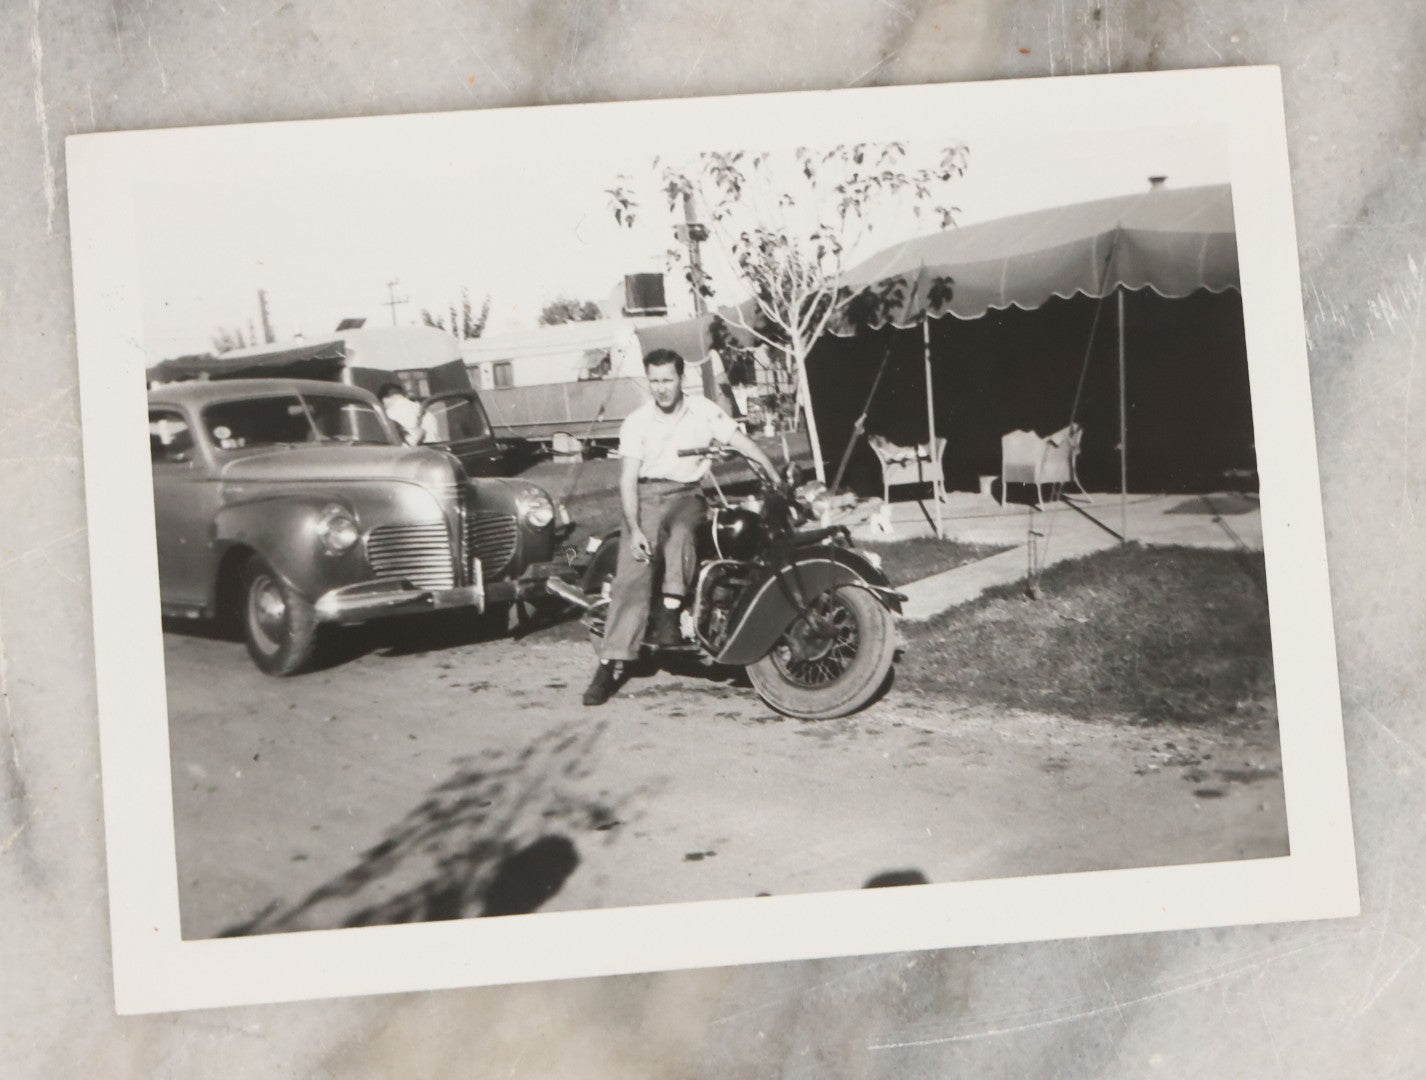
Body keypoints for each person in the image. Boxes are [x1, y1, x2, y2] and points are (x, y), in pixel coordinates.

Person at [583, 348, 778, 707]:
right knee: (632, 574)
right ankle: (608, 664)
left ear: (681, 379)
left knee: (685, 530)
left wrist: (775, 476)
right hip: (646, 496)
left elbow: (741, 442)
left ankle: (672, 611)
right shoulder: (637, 422)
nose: (661, 388)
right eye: (654, 381)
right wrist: (635, 528)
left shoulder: (704, 411)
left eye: (667, 380)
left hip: (688, 494)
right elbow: (627, 479)